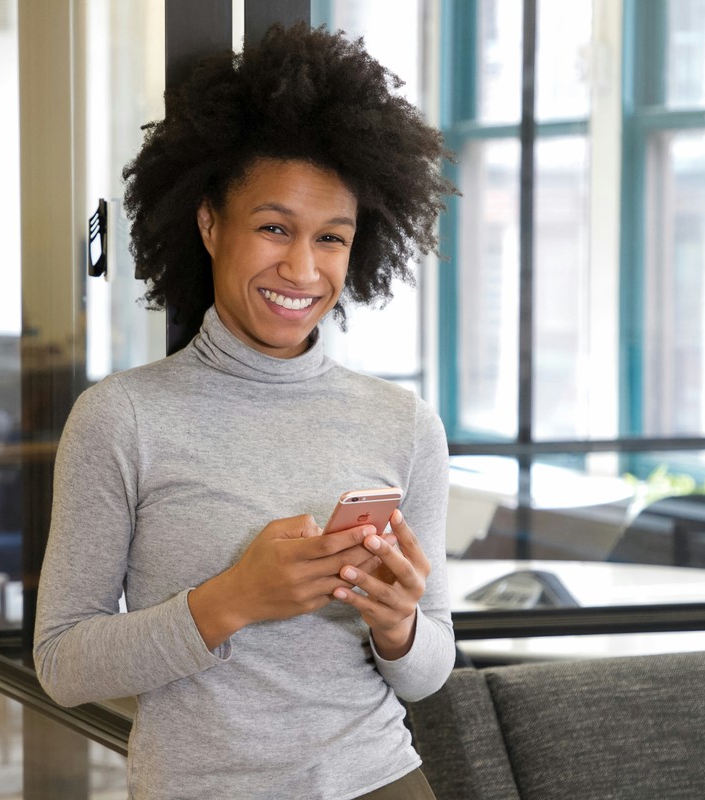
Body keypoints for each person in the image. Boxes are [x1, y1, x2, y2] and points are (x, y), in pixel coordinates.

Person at [34, 23, 455, 800]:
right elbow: (63, 663)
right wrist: (231, 600)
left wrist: (398, 626)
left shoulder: (404, 423)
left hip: (382, 782)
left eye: (331, 238)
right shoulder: (121, 418)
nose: (302, 267)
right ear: (208, 223)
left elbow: (432, 672)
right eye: (273, 228)